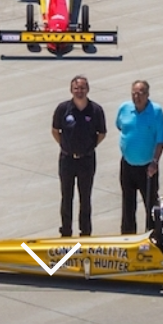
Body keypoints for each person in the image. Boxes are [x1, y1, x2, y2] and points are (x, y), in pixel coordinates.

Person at [52, 75, 107, 238]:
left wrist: (89, 147)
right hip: (67, 159)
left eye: (82, 88)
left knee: (85, 197)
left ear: (88, 89)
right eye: (76, 88)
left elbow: (102, 133)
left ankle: (85, 231)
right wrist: (65, 145)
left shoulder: (95, 110)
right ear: (71, 90)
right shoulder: (63, 109)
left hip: (87, 160)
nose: (79, 91)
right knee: (66, 196)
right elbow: (55, 131)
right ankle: (66, 230)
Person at [114, 80, 163, 234]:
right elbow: (120, 126)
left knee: (151, 204)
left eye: (141, 93)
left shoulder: (156, 112)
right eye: (134, 93)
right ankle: (127, 235)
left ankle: (154, 234)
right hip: (127, 164)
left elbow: (161, 139)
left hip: (148, 167)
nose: (137, 97)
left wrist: (155, 162)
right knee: (127, 203)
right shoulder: (124, 108)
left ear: (148, 94)